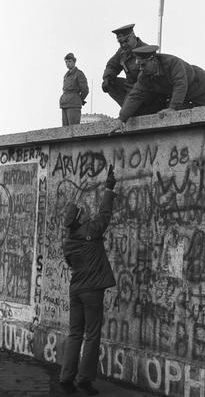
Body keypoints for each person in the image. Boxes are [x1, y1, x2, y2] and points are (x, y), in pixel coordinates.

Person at [59, 165, 117, 396]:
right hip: (92, 291)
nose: (84, 213)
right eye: (82, 213)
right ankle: (84, 380)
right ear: (79, 219)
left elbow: (72, 265)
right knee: (92, 334)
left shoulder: (69, 243)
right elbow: (104, 215)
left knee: (75, 334)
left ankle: (66, 376)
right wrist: (109, 189)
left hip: (76, 291)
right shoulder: (90, 231)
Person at [110, 45, 205, 134]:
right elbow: (135, 96)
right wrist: (122, 118)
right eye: (139, 65)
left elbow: (180, 84)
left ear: (153, 60)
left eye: (143, 65)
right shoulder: (144, 77)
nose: (141, 69)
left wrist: (172, 108)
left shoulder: (172, 63)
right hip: (183, 97)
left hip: (199, 86)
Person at [102, 23, 147, 107]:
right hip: (131, 87)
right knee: (110, 83)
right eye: (120, 42)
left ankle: (133, 109)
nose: (123, 45)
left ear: (133, 36)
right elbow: (112, 65)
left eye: (126, 41)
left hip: (145, 90)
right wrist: (107, 78)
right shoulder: (122, 52)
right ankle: (129, 110)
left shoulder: (145, 51)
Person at [60, 52, 89, 126]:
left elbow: (85, 90)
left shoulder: (79, 74)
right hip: (64, 103)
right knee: (65, 130)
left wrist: (79, 99)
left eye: (69, 61)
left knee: (73, 129)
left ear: (74, 62)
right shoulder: (66, 75)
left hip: (73, 104)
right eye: (66, 62)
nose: (67, 63)